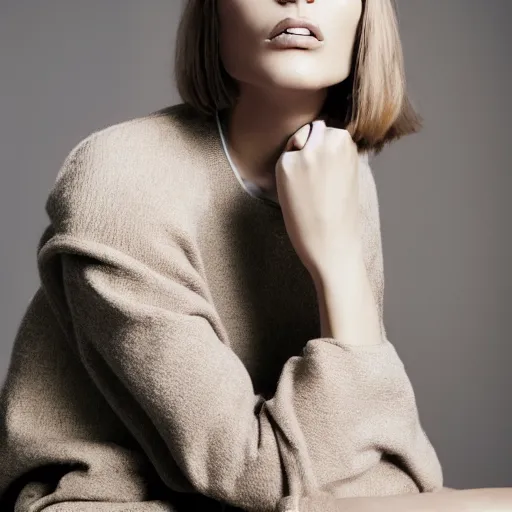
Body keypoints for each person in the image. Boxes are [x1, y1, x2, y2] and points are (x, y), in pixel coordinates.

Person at [1, 1, 511, 511]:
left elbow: (376, 442)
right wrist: (337, 264)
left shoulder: (333, 166)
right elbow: (258, 474)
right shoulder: (120, 180)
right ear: (214, 11)